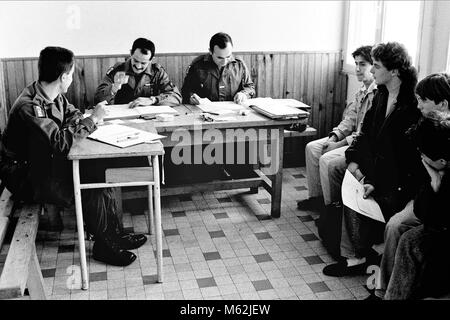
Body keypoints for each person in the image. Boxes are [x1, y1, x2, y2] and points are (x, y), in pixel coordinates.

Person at [0, 47, 146, 267]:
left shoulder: (51, 93)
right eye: (71, 73)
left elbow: (73, 114)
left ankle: (114, 235)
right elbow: (59, 142)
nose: (72, 77)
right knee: (92, 176)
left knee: (100, 168)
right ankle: (104, 245)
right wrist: (92, 121)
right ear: (63, 76)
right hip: (23, 175)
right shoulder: (30, 106)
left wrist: (81, 122)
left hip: (41, 164)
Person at [323, 42, 426, 277]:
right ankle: (355, 254)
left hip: (396, 178)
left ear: (394, 71)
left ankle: (362, 252)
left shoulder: (412, 105)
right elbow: (365, 134)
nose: (370, 71)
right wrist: (353, 161)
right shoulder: (380, 94)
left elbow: (403, 159)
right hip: (375, 166)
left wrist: (370, 177)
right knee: (348, 174)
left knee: (359, 185)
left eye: (376, 66)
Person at [372, 75, 450, 299]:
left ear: (442, 104)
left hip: (437, 204)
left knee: (405, 233)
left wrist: (435, 183)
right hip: (423, 195)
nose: (418, 106)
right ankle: (382, 290)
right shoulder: (423, 124)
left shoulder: (439, 132)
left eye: (422, 101)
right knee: (396, 226)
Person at [297, 46, 376, 212]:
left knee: (327, 160)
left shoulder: (377, 94)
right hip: (350, 139)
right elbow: (349, 120)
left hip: (360, 145)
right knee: (312, 148)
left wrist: (339, 145)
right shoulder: (362, 90)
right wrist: (334, 136)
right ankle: (316, 198)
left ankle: (330, 209)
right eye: (355, 64)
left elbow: (365, 135)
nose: (357, 69)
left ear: (373, 66)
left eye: (363, 64)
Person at [94, 37, 182, 107]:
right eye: (135, 61)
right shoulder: (118, 69)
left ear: (151, 60)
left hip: (149, 118)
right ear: (131, 53)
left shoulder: (157, 72)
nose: (138, 66)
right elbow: (98, 98)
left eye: (143, 63)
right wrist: (114, 88)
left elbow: (176, 97)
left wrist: (153, 100)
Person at [181, 32, 255, 105]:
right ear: (210, 51)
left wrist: (243, 94)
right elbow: (186, 90)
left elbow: (250, 87)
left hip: (233, 112)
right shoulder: (197, 65)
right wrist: (191, 97)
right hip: (205, 112)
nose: (224, 62)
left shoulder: (240, 64)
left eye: (228, 56)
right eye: (220, 58)